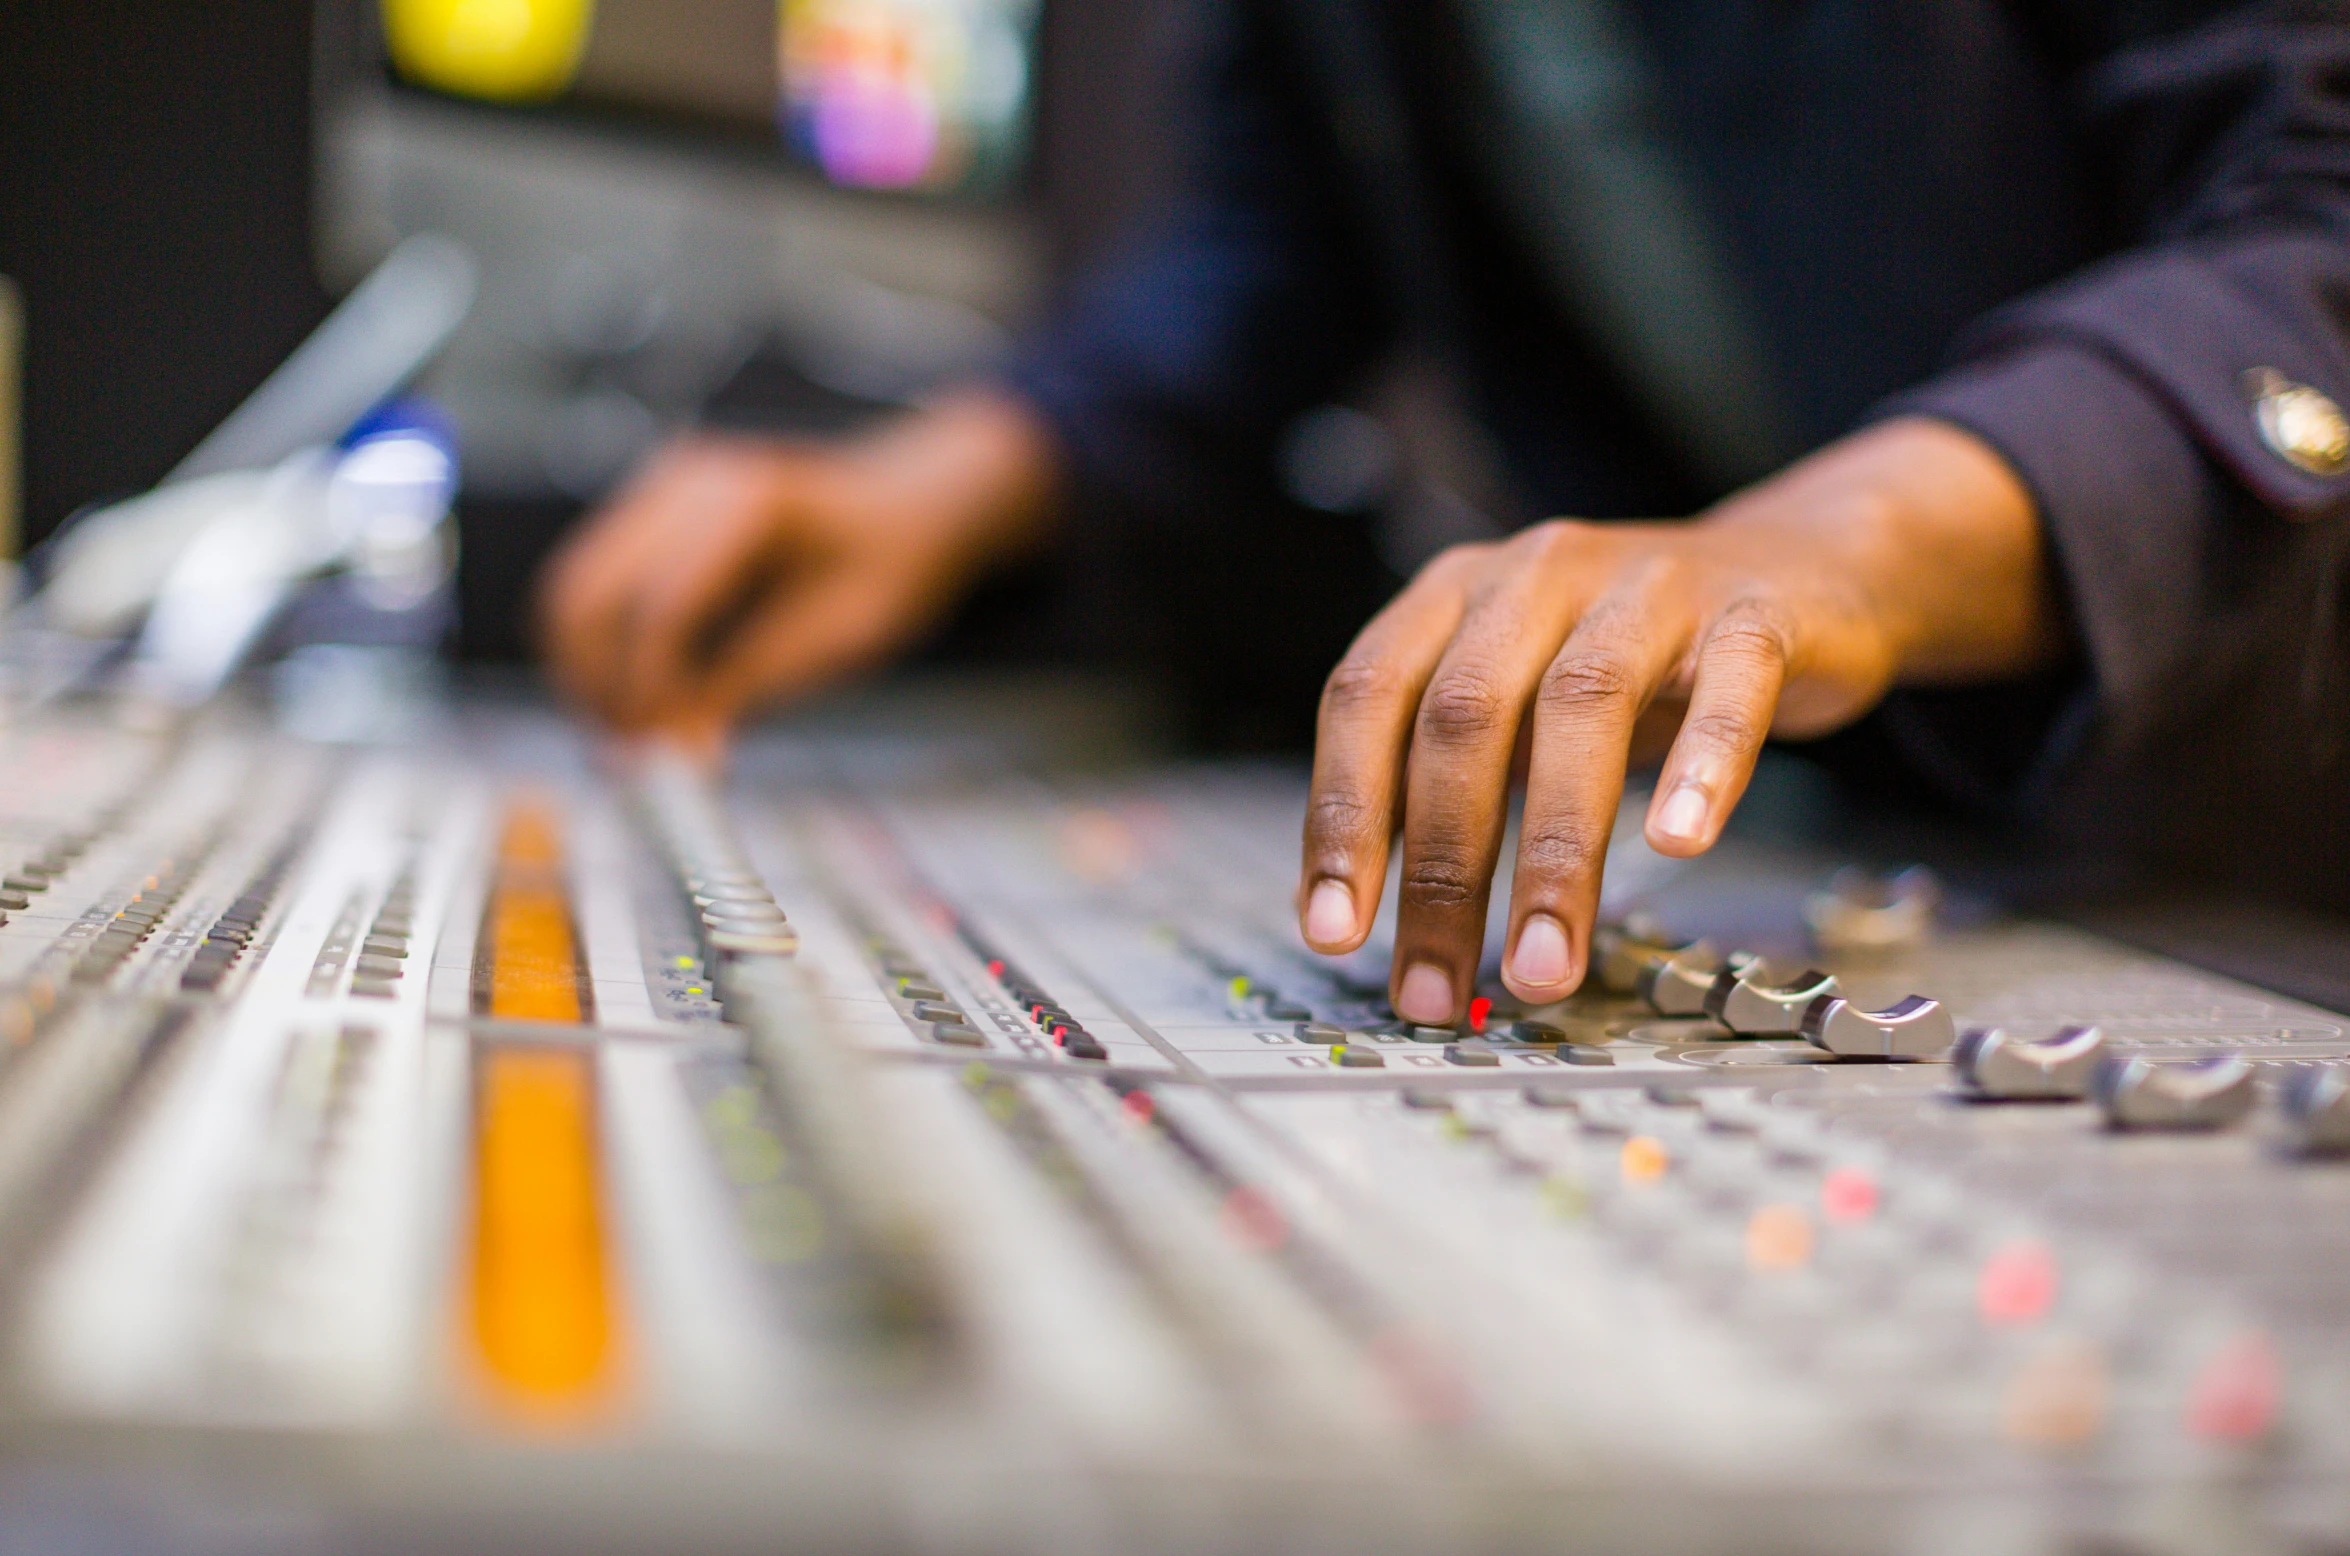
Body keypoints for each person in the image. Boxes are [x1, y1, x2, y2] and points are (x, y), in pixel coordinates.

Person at [541, 0, 2350, 1027]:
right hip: (1883, 851)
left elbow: (2314, 209)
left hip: (2263, 824)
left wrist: (1832, 546)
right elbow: (1269, 240)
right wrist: (943, 480)